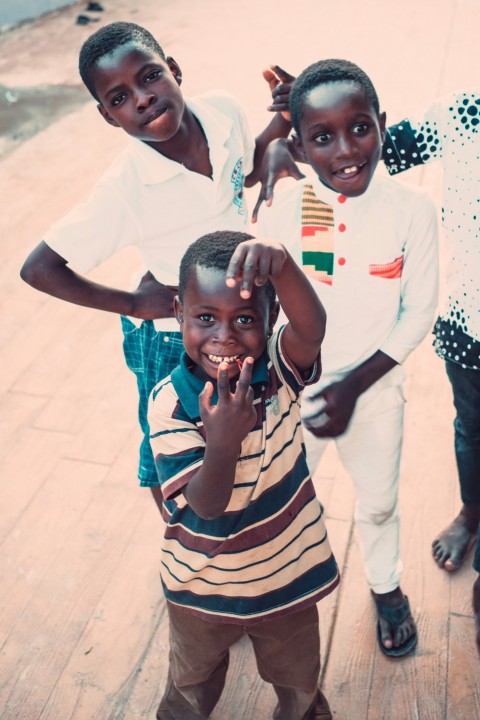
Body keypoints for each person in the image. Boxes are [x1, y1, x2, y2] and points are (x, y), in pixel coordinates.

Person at [19, 21, 293, 511]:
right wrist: (133, 304)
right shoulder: (126, 189)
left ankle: (243, 524)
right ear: (108, 117)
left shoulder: (223, 111)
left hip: (240, 316)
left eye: (148, 77)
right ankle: (180, 535)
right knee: (172, 442)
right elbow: (40, 267)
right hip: (171, 335)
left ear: (175, 71)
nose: (141, 99)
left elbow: (243, 170)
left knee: (237, 424)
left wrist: (282, 122)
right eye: (120, 98)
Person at [255, 59, 439, 657]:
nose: (346, 151)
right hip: (293, 389)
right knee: (279, 495)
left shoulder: (411, 210)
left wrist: (354, 387)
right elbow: (263, 297)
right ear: (301, 148)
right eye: (323, 137)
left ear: (383, 124)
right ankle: (269, 590)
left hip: (374, 388)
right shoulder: (289, 207)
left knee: (380, 500)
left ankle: (386, 587)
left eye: (360, 128)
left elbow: (417, 313)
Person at [148, 230, 339, 720]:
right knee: (191, 686)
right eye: (205, 318)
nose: (224, 336)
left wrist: (284, 267)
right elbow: (206, 506)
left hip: (285, 575)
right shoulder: (170, 405)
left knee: (298, 680)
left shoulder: (277, 370)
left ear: (270, 320)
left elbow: (312, 328)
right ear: (178, 312)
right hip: (202, 584)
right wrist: (224, 441)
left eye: (245, 319)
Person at [382, 90, 480, 651]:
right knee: (472, 428)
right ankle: (471, 512)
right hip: (470, 326)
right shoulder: (467, 113)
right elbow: (374, 151)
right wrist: (300, 115)